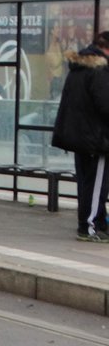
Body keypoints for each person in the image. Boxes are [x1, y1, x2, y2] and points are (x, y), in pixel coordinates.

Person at [50, 31, 109, 242]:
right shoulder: (99, 69)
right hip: (97, 138)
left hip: (81, 137)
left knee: (87, 184)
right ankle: (90, 226)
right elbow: (105, 105)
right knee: (96, 185)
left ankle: (95, 222)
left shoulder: (79, 68)